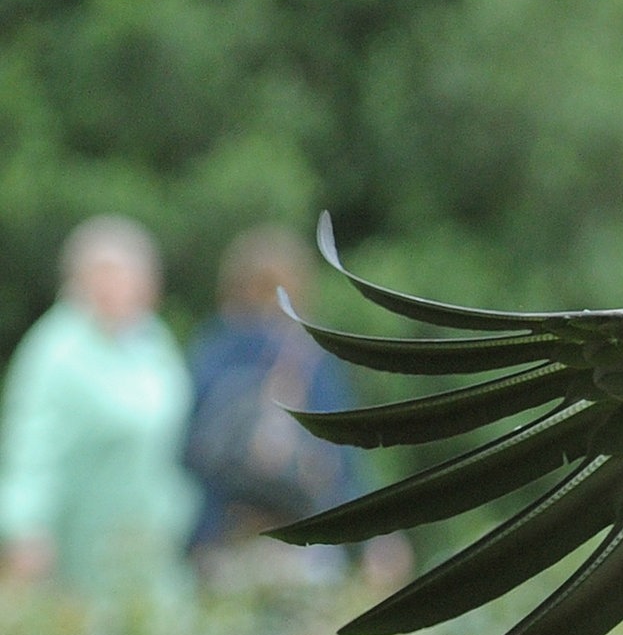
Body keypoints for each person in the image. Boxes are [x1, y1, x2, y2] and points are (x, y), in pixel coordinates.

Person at [183, 225, 399, 591]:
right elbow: (343, 455)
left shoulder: (211, 350)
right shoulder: (310, 355)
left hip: (224, 540)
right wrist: (377, 534)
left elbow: (189, 450)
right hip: (299, 545)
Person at [0, 215, 198, 604]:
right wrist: (27, 527)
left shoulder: (151, 342)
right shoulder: (57, 351)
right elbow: (31, 445)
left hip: (151, 538)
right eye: (102, 274)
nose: (113, 286)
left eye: (124, 274)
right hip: (82, 538)